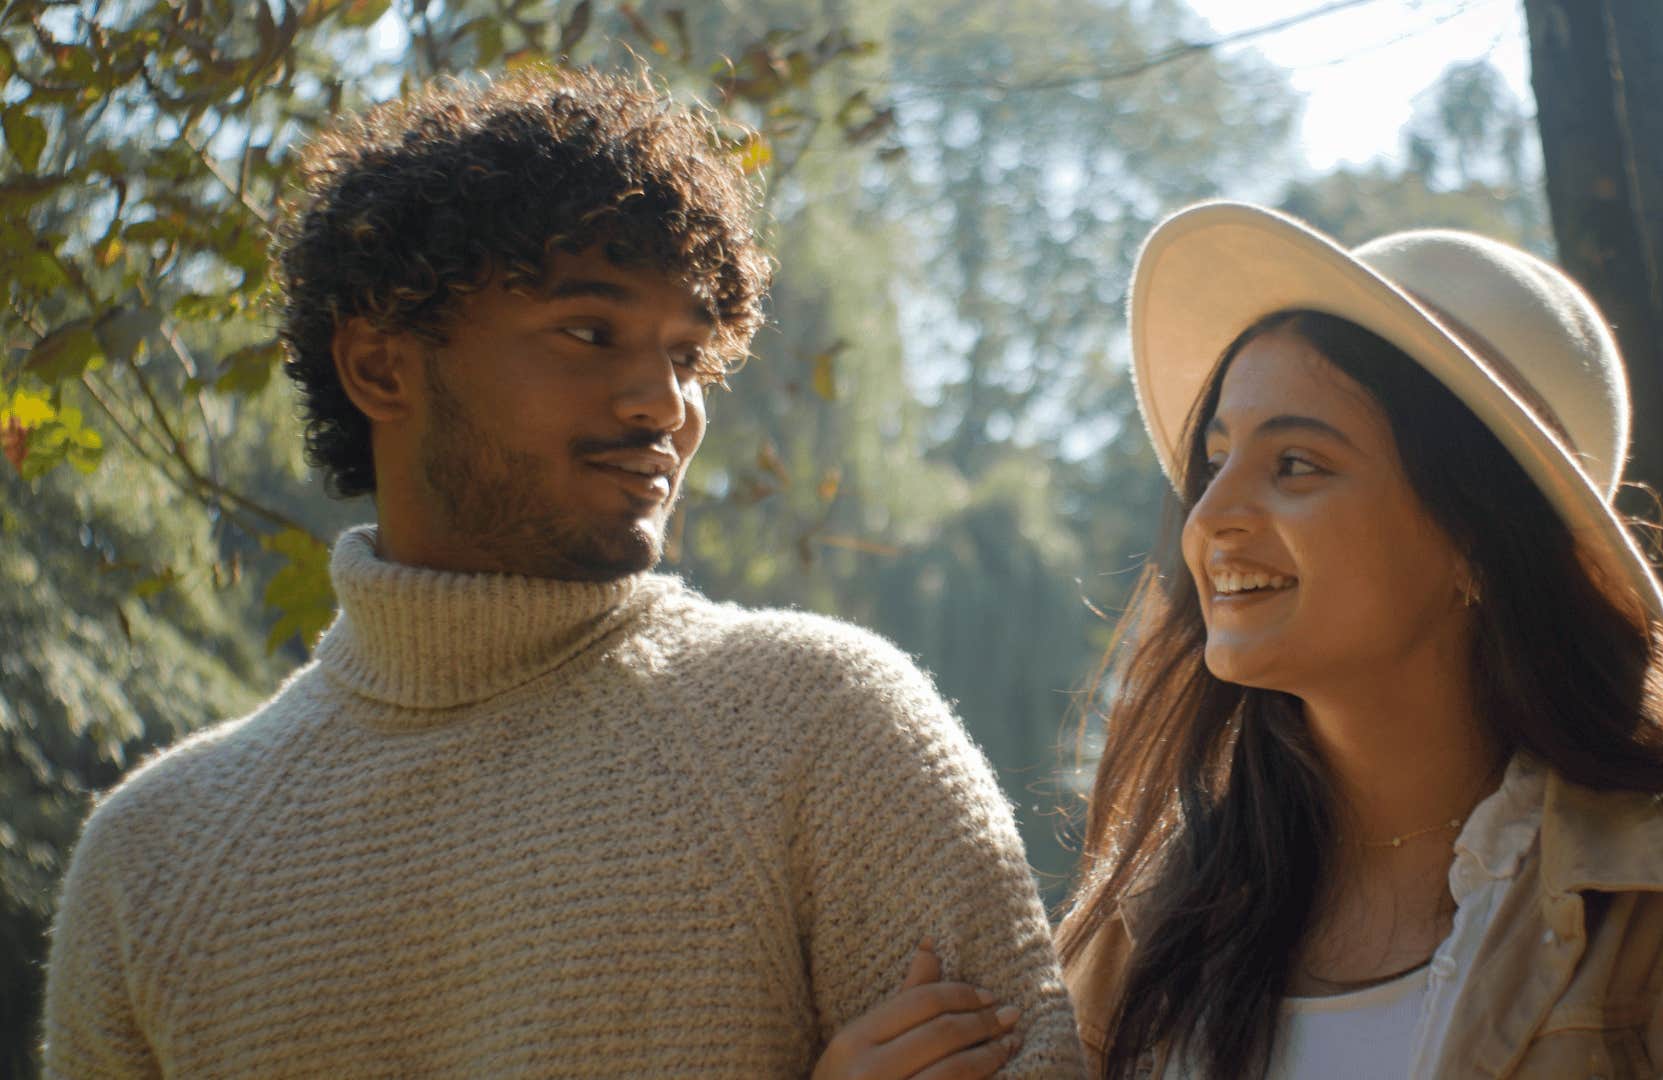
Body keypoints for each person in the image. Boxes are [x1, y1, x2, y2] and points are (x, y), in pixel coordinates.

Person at [39, 70, 1080, 1077]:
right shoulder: (155, 861)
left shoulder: (820, 730)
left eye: (688, 356)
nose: (664, 405)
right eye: (590, 332)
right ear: (380, 367)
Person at [843, 201, 1663, 1078]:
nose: (1213, 515)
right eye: (1216, 459)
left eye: (1296, 464)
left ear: (1478, 543)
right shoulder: (1155, 921)